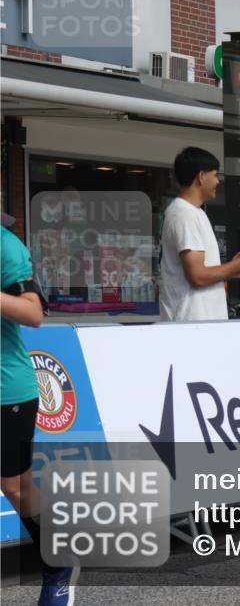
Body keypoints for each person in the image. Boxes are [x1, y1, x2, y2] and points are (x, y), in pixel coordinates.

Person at [1, 226, 77, 605]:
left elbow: (33, 312)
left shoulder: (6, 247)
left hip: (7, 391)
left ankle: (59, 564)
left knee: (16, 488)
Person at [160, 147, 240, 321]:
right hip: (191, 324)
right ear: (201, 177)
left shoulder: (194, 212)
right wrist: (238, 265)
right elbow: (197, 276)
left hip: (201, 323)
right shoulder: (184, 214)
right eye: (215, 175)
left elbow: (201, 273)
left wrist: (234, 268)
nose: (217, 181)